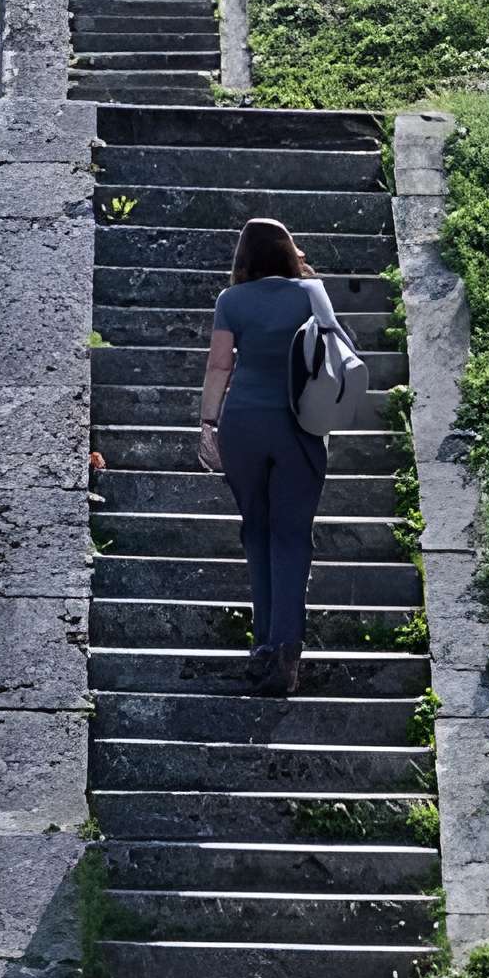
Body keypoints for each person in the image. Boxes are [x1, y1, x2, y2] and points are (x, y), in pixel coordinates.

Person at [193, 216, 346, 696]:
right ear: (287, 250)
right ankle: (284, 649)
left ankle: (263, 649)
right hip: (299, 424)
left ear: (243, 257)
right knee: (292, 536)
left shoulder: (231, 300)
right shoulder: (311, 293)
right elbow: (340, 353)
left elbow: (220, 364)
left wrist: (207, 423)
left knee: (255, 531)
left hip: (243, 426)